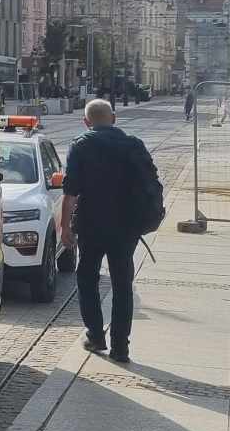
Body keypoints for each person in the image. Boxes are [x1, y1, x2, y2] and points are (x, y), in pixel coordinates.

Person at [59, 98, 161, 364]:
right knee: (122, 285)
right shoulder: (134, 144)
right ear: (114, 118)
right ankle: (120, 347)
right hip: (126, 227)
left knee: (87, 279)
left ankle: (95, 335)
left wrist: (65, 228)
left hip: (91, 226)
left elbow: (70, 192)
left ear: (86, 122)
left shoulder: (81, 145)